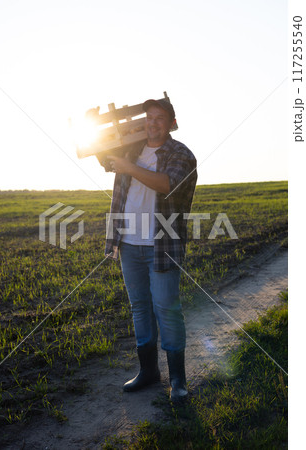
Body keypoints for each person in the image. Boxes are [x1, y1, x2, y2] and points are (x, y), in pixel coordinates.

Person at [102, 98, 197, 402]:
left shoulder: (181, 154)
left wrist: (129, 166)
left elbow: (166, 184)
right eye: (149, 117)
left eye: (159, 118)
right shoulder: (130, 149)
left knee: (167, 310)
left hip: (162, 245)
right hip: (129, 244)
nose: (152, 122)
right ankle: (149, 372)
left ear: (171, 123)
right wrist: (95, 129)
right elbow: (103, 157)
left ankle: (178, 381)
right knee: (140, 307)